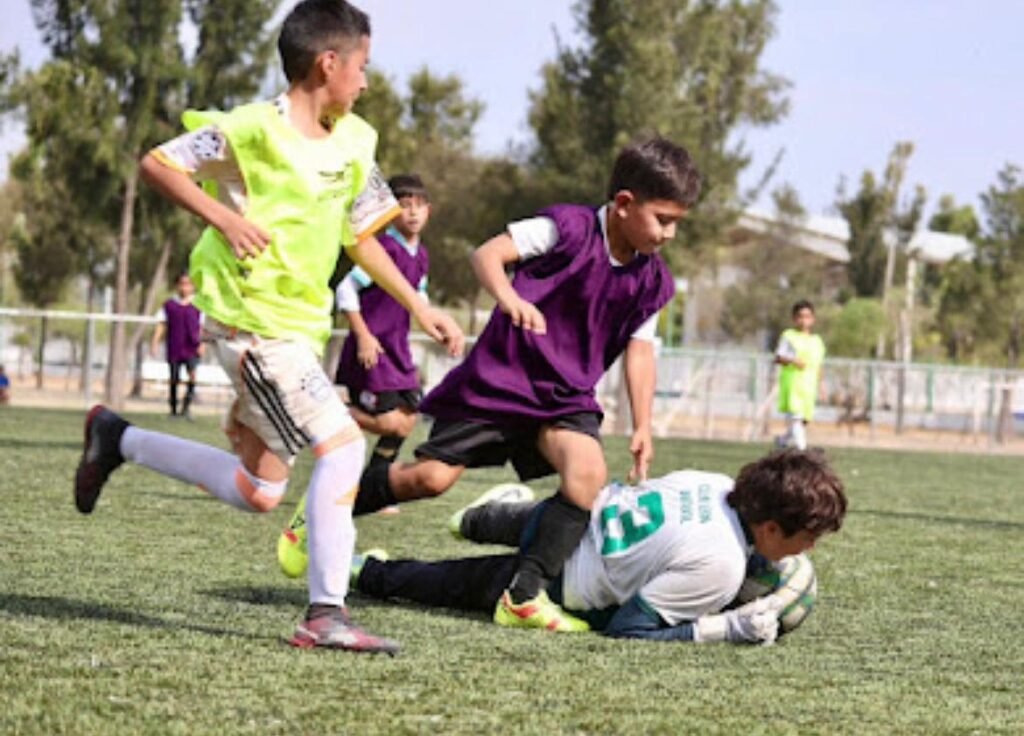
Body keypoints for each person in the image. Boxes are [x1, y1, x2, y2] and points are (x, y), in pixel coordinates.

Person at [72, 0, 463, 654]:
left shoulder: (356, 140)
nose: (367, 81)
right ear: (328, 63)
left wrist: (421, 307)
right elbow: (158, 163)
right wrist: (225, 219)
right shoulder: (252, 130)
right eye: (363, 66)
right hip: (251, 325)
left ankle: (118, 438)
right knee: (344, 447)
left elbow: (362, 238)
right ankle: (325, 613)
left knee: (260, 489)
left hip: (298, 329)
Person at [280, 136, 702, 632]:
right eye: (663, 219)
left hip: (564, 396)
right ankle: (322, 508)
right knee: (430, 479)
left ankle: (523, 596)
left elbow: (640, 349)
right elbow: (487, 255)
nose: (670, 234)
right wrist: (509, 298)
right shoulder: (565, 228)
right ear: (625, 204)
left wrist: (643, 424)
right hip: (500, 381)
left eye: (677, 222)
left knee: (587, 473)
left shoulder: (654, 281)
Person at [352, 449, 847, 644]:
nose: (810, 548)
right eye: (809, 536)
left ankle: (479, 518)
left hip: (568, 517)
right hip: (561, 584)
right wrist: (723, 628)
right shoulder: (721, 566)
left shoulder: (716, 482)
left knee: (515, 521)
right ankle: (365, 572)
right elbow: (629, 630)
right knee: (443, 583)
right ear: (772, 528)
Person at [277, 174, 430, 572]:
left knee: (407, 421)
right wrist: (363, 335)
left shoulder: (422, 255)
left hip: (397, 351)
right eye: (404, 204)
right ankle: (317, 416)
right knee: (389, 422)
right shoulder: (382, 249)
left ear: (429, 210)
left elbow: (419, 296)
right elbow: (346, 291)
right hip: (372, 350)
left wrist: (433, 324)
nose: (412, 212)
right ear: (391, 211)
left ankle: (375, 485)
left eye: (419, 205)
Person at [151, 272, 204, 419]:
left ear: (193, 286)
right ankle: (173, 409)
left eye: (188, 284)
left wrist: (202, 343)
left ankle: (186, 408)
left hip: (192, 347)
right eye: (182, 284)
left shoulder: (199, 305)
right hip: (175, 346)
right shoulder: (169, 305)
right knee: (174, 378)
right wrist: (155, 342)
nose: (185, 287)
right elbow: (161, 324)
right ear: (177, 285)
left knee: (192, 376)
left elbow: (202, 326)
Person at [775, 300, 826, 451]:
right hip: (793, 386)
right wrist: (792, 360)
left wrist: (822, 385)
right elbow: (778, 357)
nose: (804, 320)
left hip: (809, 387)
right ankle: (803, 451)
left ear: (813, 319)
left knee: (803, 421)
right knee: (796, 419)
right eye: (800, 316)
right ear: (794, 319)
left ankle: (783, 440)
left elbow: (819, 365)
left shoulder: (817, 341)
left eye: (807, 316)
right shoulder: (789, 336)